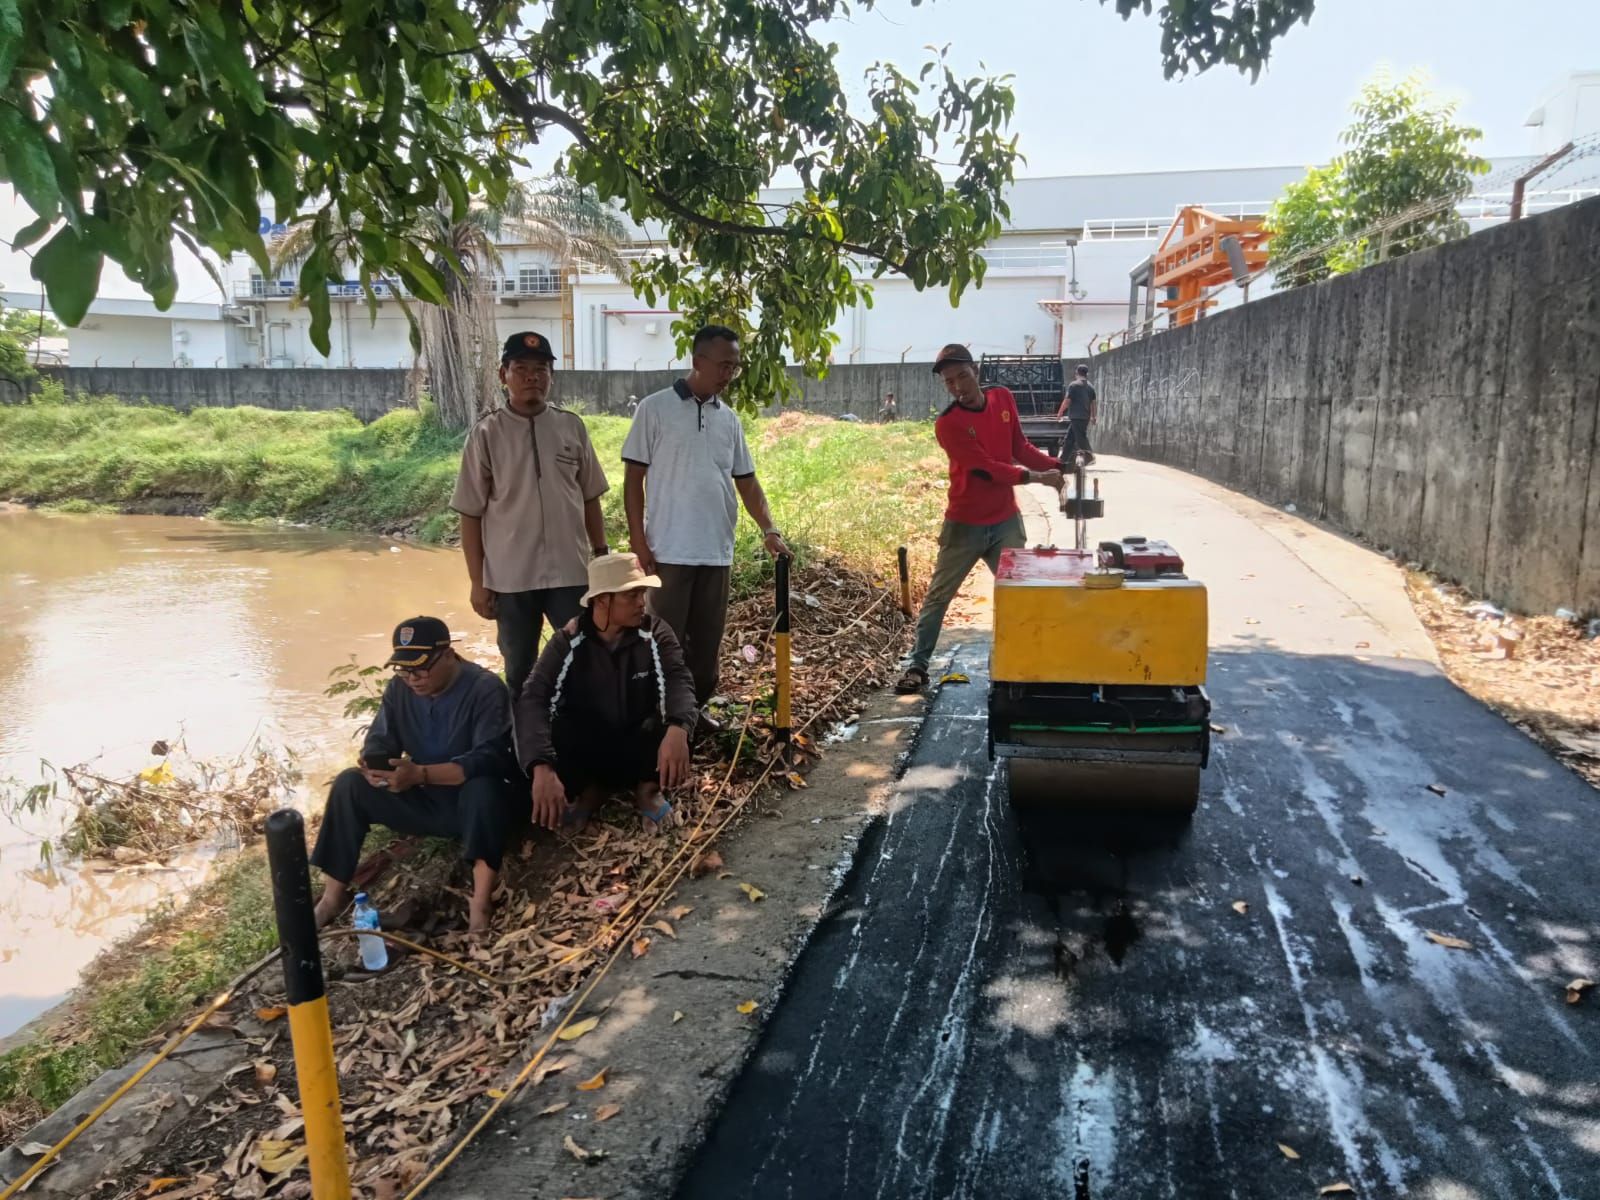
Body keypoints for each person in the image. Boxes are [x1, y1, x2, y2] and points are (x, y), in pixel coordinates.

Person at [621, 325, 791, 719]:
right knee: (663, 642)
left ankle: (692, 719)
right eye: (723, 365)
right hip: (668, 551)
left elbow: (746, 482)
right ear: (698, 361)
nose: (728, 373)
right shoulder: (654, 409)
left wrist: (770, 530)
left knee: (706, 645)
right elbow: (633, 480)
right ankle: (656, 724)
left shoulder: (728, 419)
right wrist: (638, 541)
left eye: (734, 366)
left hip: (716, 551)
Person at [311, 617, 520, 934]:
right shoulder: (399, 690)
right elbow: (381, 739)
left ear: (448, 655)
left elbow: (488, 758)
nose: (412, 678)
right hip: (423, 799)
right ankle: (331, 898)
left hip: (472, 805)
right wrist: (375, 763)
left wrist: (421, 774)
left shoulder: (485, 689)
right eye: (404, 669)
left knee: (484, 788)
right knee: (348, 784)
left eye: (421, 668)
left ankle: (480, 903)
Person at [895, 343, 1065, 694]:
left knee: (1018, 594)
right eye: (949, 382)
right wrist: (1036, 478)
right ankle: (917, 664)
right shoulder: (948, 424)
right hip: (964, 523)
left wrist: (1058, 465)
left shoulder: (1002, 399)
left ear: (975, 371)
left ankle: (1022, 663)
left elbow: (1020, 448)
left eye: (962, 376)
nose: (957, 386)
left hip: (1005, 520)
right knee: (939, 596)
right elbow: (987, 470)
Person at [451, 330, 610, 701]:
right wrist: (478, 581)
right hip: (510, 578)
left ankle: (574, 742)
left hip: (570, 573)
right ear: (503, 374)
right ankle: (524, 750)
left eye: (541, 369)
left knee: (581, 658)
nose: (531, 377)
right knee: (519, 668)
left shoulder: (571, 426)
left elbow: (590, 497)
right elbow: (470, 514)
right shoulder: (486, 433)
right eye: (521, 368)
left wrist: (601, 557)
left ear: (552, 376)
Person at [518, 553, 697, 833]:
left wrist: (679, 728)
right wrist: (540, 765)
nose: (642, 603)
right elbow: (534, 697)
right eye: (632, 596)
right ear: (602, 600)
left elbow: (677, 678)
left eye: (643, 593)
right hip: (590, 742)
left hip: (639, 739)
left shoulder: (655, 632)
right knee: (556, 730)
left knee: (678, 720)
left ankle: (648, 789)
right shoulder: (568, 640)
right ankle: (589, 791)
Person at [1054, 363, 1097, 465]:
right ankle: (1063, 459)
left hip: (1076, 416)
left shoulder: (1073, 385)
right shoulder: (1090, 387)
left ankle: (1090, 456)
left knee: (1080, 437)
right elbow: (1093, 403)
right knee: (1069, 439)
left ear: (1077, 373)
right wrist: (1094, 416)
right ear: (1087, 374)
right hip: (1084, 417)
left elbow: (1067, 401)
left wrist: (1060, 412)